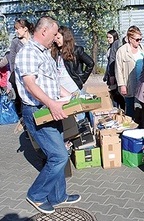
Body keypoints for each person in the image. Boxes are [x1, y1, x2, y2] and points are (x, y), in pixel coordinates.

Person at [15, 16, 80, 214]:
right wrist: (52, 104)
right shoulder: (28, 53)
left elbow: (52, 83)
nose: (55, 39)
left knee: (59, 152)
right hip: (39, 111)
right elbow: (30, 84)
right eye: (53, 34)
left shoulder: (44, 54)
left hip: (51, 110)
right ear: (44, 31)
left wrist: (71, 97)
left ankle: (58, 196)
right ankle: (36, 195)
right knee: (58, 156)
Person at [52, 26, 94, 91]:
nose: (56, 40)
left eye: (58, 38)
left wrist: (82, 79)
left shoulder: (76, 50)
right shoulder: (55, 51)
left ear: (65, 37)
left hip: (73, 88)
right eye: (55, 38)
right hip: (60, 88)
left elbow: (90, 63)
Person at [115, 26, 144, 118]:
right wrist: (122, 85)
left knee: (142, 108)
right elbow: (118, 69)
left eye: (140, 39)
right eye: (137, 39)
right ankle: (129, 127)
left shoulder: (142, 49)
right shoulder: (122, 51)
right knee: (130, 107)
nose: (139, 41)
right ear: (130, 39)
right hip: (129, 83)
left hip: (142, 83)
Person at [8, 19, 35, 116]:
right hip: (20, 75)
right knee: (23, 98)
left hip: (34, 74)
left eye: (17, 29)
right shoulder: (15, 42)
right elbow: (12, 60)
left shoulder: (34, 40)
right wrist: (14, 73)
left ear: (25, 29)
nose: (16, 31)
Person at [103, 30, 125, 110]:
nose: (108, 39)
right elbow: (109, 63)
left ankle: (120, 110)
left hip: (114, 74)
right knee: (113, 93)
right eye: (107, 37)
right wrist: (106, 75)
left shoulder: (116, 46)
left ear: (115, 37)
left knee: (116, 94)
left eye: (110, 37)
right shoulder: (110, 47)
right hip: (110, 73)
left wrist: (112, 75)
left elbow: (113, 62)